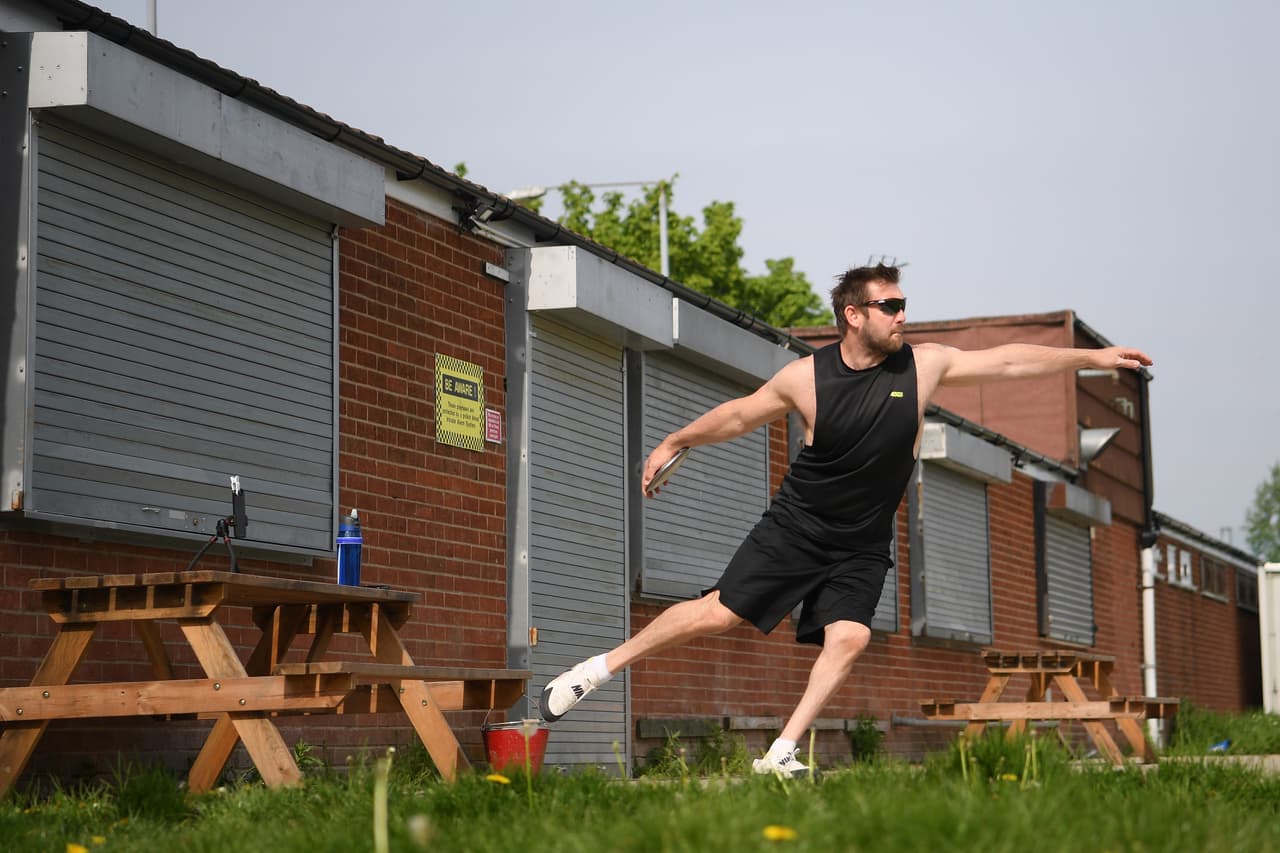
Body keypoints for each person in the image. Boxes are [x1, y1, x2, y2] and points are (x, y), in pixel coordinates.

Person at [538, 262, 1152, 777]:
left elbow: (1011, 362)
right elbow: (737, 416)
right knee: (717, 612)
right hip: (798, 527)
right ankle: (595, 670)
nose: (902, 315)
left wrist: (1092, 356)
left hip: (864, 540)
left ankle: (780, 752)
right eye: (890, 305)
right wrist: (676, 439)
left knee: (852, 634)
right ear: (854, 314)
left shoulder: (924, 365)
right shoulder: (805, 378)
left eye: (904, 304)